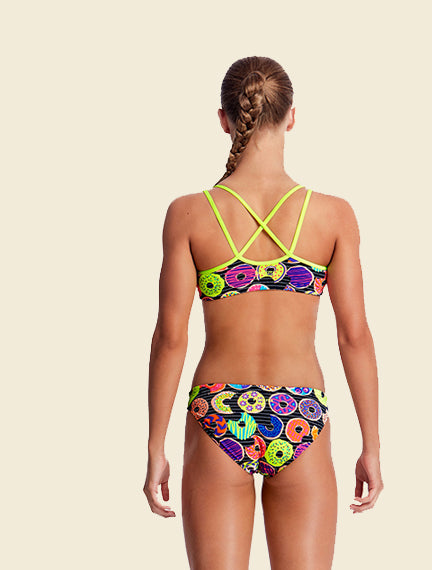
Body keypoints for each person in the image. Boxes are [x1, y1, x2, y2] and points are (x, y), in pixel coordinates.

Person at [143, 55, 383, 569]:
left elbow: (170, 338)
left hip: (218, 412)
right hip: (300, 413)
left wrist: (155, 446)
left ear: (225, 119)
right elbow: (354, 337)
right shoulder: (333, 215)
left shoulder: (189, 214)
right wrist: (372, 445)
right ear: (292, 117)